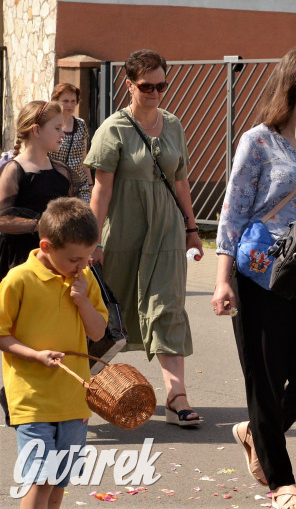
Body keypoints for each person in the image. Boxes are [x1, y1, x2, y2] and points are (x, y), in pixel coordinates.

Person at [211, 48, 296, 509]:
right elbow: (232, 213)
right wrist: (222, 281)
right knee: (264, 377)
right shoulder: (257, 141)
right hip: (259, 275)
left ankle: (256, 431)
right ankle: (283, 484)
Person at [85, 49, 205, 426]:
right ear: (129, 85)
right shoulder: (113, 129)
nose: (154, 92)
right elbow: (100, 191)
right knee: (104, 315)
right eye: (146, 86)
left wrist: (191, 228)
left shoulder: (173, 125)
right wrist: (93, 241)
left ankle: (176, 396)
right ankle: (73, 387)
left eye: (161, 85)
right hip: (122, 232)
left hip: (167, 231)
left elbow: (181, 180)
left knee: (168, 308)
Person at [0, 197, 108, 509]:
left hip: (73, 400)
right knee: (40, 477)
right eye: (75, 258)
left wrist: (83, 301)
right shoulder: (18, 280)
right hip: (32, 398)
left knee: (59, 479)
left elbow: (98, 333)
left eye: (87, 257)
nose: (83, 265)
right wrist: (35, 355)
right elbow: (2, 335)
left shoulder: (84, 279)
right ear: (46, 247)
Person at [0, 101, 78, 279]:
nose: (63, 134)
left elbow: (69, 213)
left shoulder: (62, 171)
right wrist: (39, 225)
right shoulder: (14, 170)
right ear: (36, 130)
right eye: (57, 128)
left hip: (55, 258)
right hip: (20, 260)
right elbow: (2, 219)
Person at [50, 83, 92, 203]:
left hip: (80, 185)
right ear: (56, 101)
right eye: (66, 101)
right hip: (57, 185)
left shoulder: (81, 124)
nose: (70, 105)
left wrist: (90, 184)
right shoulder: (50, 125)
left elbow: (84, 157)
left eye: (73, 101)